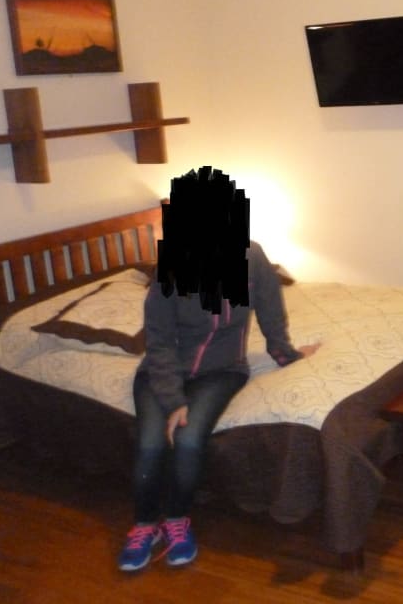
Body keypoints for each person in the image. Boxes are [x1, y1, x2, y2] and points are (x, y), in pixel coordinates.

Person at [117, 167, 319, 572]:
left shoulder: (251, 256)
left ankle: (177, 520)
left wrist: (287, 355)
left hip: (222, 370)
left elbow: (271, 311)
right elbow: (159, 341)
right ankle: (144, 525)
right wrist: (173, 400)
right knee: (151, 444)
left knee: (189, 439)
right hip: (162, 371)